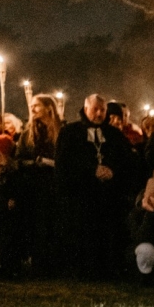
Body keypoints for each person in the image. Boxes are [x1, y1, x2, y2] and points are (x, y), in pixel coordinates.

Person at [55, 93, 135, 280]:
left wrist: (112, 171)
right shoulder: (70, 132)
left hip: (108, 194)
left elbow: (127, 161)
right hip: (81, 193)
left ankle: (108, 269)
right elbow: (65, 162)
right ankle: (81, 270)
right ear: (85, 109)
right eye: (95, 109)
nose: (99, 114)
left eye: (102, 110)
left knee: (108, 232)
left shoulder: (114, 134)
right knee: (82, 232)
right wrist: (92, 170)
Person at [15, 94, 63, 275]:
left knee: (54, 223)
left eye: (37, 106)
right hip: (34, 185)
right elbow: (19, 160)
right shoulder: (28, 134)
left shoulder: (61, 132)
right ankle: (39, 264)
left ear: (48, 108)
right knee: (37, 224)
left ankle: (55, 262)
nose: (33, 109)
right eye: (32, 106)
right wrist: (34, 163)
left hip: (55, 184)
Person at [0, 134, 19, 276]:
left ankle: (6, 262)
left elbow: (13, 186)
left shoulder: (9, 170)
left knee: (4, 234)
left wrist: (12, 197)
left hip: (3, 206)